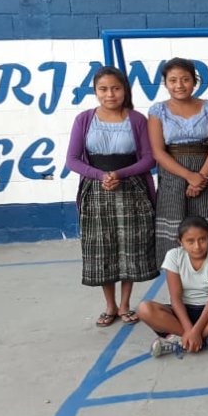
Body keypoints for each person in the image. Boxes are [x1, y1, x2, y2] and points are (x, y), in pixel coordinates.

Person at [66, 66, 158, 327]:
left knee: (130, 246)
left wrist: (119, 173)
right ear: (95, 91)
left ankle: (125, 304)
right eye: (103, 89)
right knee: (102, 247)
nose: (110, 94)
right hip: (96, 192)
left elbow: (149, 159)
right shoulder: (84, 119)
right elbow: (72, 159)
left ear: (124, 90)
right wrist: (100, 175)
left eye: (116, 88)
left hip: (132, 191)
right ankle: (110, 305)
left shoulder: (137, 120)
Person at [148, 57, 208, 264]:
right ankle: (178, 279)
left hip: (207, 174)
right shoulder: (157, 111)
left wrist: (201, 177)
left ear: (194, 81)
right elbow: (158, 152)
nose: (179, 85)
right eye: (173, 80)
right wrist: (189, 176)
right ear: (165, 83)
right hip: (173, 176)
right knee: (175, 229)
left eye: (185, 79)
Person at [137, 217, 208, 358]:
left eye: (202, 239)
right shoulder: (173, 256)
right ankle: (205, 338)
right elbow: (175, 298)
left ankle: (180, 340)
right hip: (182, 312)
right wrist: (189, 330)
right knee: (144, 309)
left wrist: (196, 331)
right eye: (190, 241)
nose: (197, 246)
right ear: (180, 242)